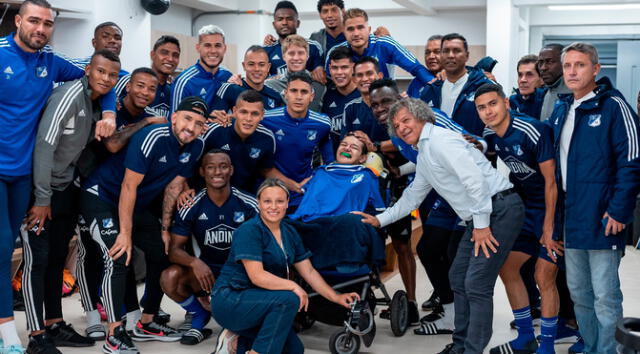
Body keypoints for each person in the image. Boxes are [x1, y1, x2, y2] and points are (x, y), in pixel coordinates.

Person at [354, 98, 525, 354]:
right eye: (397, 125)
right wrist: (380, 219)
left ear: (422, 117)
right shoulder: (425, 153)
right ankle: (460, 345)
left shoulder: (442, 141)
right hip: (480, 216)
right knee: (458, 276)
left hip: (498, 210)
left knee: (477, 283)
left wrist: (481, 226)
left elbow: (475, 182)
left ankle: (472, 349)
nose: (401, 128)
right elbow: (413, 196)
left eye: (406, 121)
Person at [0, 1, 114, 351]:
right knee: (4, 247)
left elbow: (100, 76)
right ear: (18, 21)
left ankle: (33, 330)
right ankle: (8, 337)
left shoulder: (51, 62)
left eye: (47, 24)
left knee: (23, 251)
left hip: (24, 175)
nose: (40, 29)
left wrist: (108, 112)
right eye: (34, 21)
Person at [79, 97, 209, 353]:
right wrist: (125, 233)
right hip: (102, 196)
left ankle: (147, 322)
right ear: (174, 117)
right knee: (117, 255)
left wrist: (164, 229)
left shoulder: (196, 146)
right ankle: (114, 334)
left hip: (134, 205)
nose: (191, 127)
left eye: (198, 123)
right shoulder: (153, 136)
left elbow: (173, 187)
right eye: (187, 118)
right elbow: (129, 186)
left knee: (162, 252)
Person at [22, 50, 121, 354]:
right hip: (39, 189)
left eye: (112, 75)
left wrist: (109, 112)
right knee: (36, 261)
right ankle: (36, 336)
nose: (106, 78)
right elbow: (44, 146)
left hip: (65, 188)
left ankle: (54, 323)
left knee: (55, 259)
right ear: (88, 70)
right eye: (100, 72)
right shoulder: (68, 96)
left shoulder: (97, 102)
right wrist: (41, 197)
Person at [367, 79, 482, 335]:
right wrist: (401, 170)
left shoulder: (431, 117)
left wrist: (480, 149)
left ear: (400, 98)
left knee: (454, 256)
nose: (380, 108)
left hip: (470, 195)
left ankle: (466, 317)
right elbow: (425, 162)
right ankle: (450, 312)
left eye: (386, 101)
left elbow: (469, 141)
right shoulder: (395, 133)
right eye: (374, 104)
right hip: (444, 195)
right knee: (428, 250)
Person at [548, 42, 640, 354]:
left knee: (605, 294)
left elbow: (632, 162)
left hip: (603, 216)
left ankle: (610, 351)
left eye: (580, 65)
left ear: (596, 69)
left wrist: (619, 211)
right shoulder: (563, 109)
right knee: (579, 293)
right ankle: (591, 345)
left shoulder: (615, 107)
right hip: (571, 217)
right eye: (568, 65)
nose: (572, 71)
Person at [211, 178, 359, 354]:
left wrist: (336, 297)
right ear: (258, 203)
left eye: (279, 201)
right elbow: (257, 276)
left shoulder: (289, 232)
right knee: (289, 299)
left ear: (287, 203)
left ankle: (235, 343)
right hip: (231, 300)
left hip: (261, 303)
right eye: (267, 201)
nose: (273, 207)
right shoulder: (249, 230)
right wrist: (293, 286)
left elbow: (309, 272)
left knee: (294, 350)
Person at [74, 67, 165, 340]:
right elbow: (112, 144)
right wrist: (146, 123)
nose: (145, 92)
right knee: (91, 254)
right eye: (140, 86)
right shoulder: (112, 112)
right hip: (93, 191)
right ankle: (92, 316)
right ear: (128, 87)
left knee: (128, 255)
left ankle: (136, 316)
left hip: (124, 196)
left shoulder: (148, 116)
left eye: (151, 89)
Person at [474, 83, 560, 354]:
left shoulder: (532, 130)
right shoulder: (490, 133)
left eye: (493, 104)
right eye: (482, 107)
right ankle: (525, 336)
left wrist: (549, 227)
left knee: (543, 276)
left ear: (506, 104)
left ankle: (546, 346)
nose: (488, 111)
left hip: (556, 207)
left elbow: (552, 182)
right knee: (507, 267)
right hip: (526, 207)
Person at [160, 150, 258, 345]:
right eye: (211, 167)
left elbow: (263, 245)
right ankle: (199, 316)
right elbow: (174, 250)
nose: (217, 172)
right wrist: (195, 262)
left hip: (239, 273)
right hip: (207, 274)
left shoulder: (248, 203)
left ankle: (235, 319)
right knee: (169, 277)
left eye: (223, 166)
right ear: (202, 172)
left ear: (231, 170)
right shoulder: (191, 205)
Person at [262, 72, 334, 212]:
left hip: (304, 193)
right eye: (294, 91)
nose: (299, 97)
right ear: (285, 93)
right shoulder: (267, 119)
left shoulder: (322, 123)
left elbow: (330, 162)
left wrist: (314, 179)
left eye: (304, 92)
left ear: (312, 96)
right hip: (272, 193)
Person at [289, 133, 385, 221]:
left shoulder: (366, 176)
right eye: (343, 144)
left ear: (362, 158)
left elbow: (379, 209)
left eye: (354, 147)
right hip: (308, 222)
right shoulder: (320, 172)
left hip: (341, 224)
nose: (346, 149)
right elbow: (299, 191)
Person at [325, 8, 433, 86]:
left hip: (386, 101)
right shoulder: (336, 52)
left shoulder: (385, 44)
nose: (356, 33)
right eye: (350, 29)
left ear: (369, 29)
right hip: (353, 107)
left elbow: (416, 68)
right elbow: (329, 81)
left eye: (360, 27)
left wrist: (438, 86)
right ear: (344, 32)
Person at [201, 90, 276, 194]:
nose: (248, 119)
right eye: (243, 112)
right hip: (206, 195)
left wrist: (294, 186)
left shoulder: (267, 138)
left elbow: (266, 170)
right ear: (235, 111)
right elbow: (191, 162)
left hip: (245, 198)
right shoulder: (214, 131)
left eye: (255, 114)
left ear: (262, 115)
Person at [419, 32, 493, 136]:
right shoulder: (428, 91)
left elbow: (496, 125)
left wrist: (484, 146)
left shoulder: (483, 87)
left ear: (466, 56)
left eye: (456, 51)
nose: (450, 55)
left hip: (472, 150)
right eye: (445, 51)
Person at [115, 35, 181, 118]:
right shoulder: (129, 80)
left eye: (175, 55)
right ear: (152, 55)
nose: (170, 59)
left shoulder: (174, 91)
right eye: (164, 53)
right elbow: (109, 107)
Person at [171, 24, 232, 113]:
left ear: (224, 48)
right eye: (207, 45)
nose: (213, 51)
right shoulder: (184, 82)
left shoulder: (228, 76)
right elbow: (175, 121)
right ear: (198, 48)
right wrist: (208, 118)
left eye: (218, 45)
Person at [263, 1, 324, 81]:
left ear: (297, 23)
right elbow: (259, 80)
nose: (284, 23)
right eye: (280, 19)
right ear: (274, 24)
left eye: (289, 19)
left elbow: (320, 75)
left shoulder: (313, 47)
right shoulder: (266, 50)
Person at [265, 34, 326, 112]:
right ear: (284, 56)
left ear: (307, 56)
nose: (296, 58)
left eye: (300, 53)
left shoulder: (319, 85)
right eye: (291, 53)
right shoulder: (270, 85)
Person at [322, 47, 360, 150]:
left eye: (344, 67)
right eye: (335, 68)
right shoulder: (325, 96)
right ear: (329, 68)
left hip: (360, 162)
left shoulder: (364, 96)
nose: (339, 72)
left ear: (353, 68)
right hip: (332, 162)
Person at [227, 46, 284, 110]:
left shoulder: (275, 96)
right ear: (244, 66)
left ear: (268, 67)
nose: (257, 69)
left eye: (261, 64)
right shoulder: (232, 90)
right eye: (251, 64)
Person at [538, 44, 571, 121]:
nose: (543, 68)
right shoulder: (545, 93)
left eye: (549, 62)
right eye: (540, 62)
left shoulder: (576, 94)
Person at [510, 54, 546, 120]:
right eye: (520, 75)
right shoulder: (512, 101)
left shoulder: (549, 102)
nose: (522, 80)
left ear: (542, 79)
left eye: (529, 75)